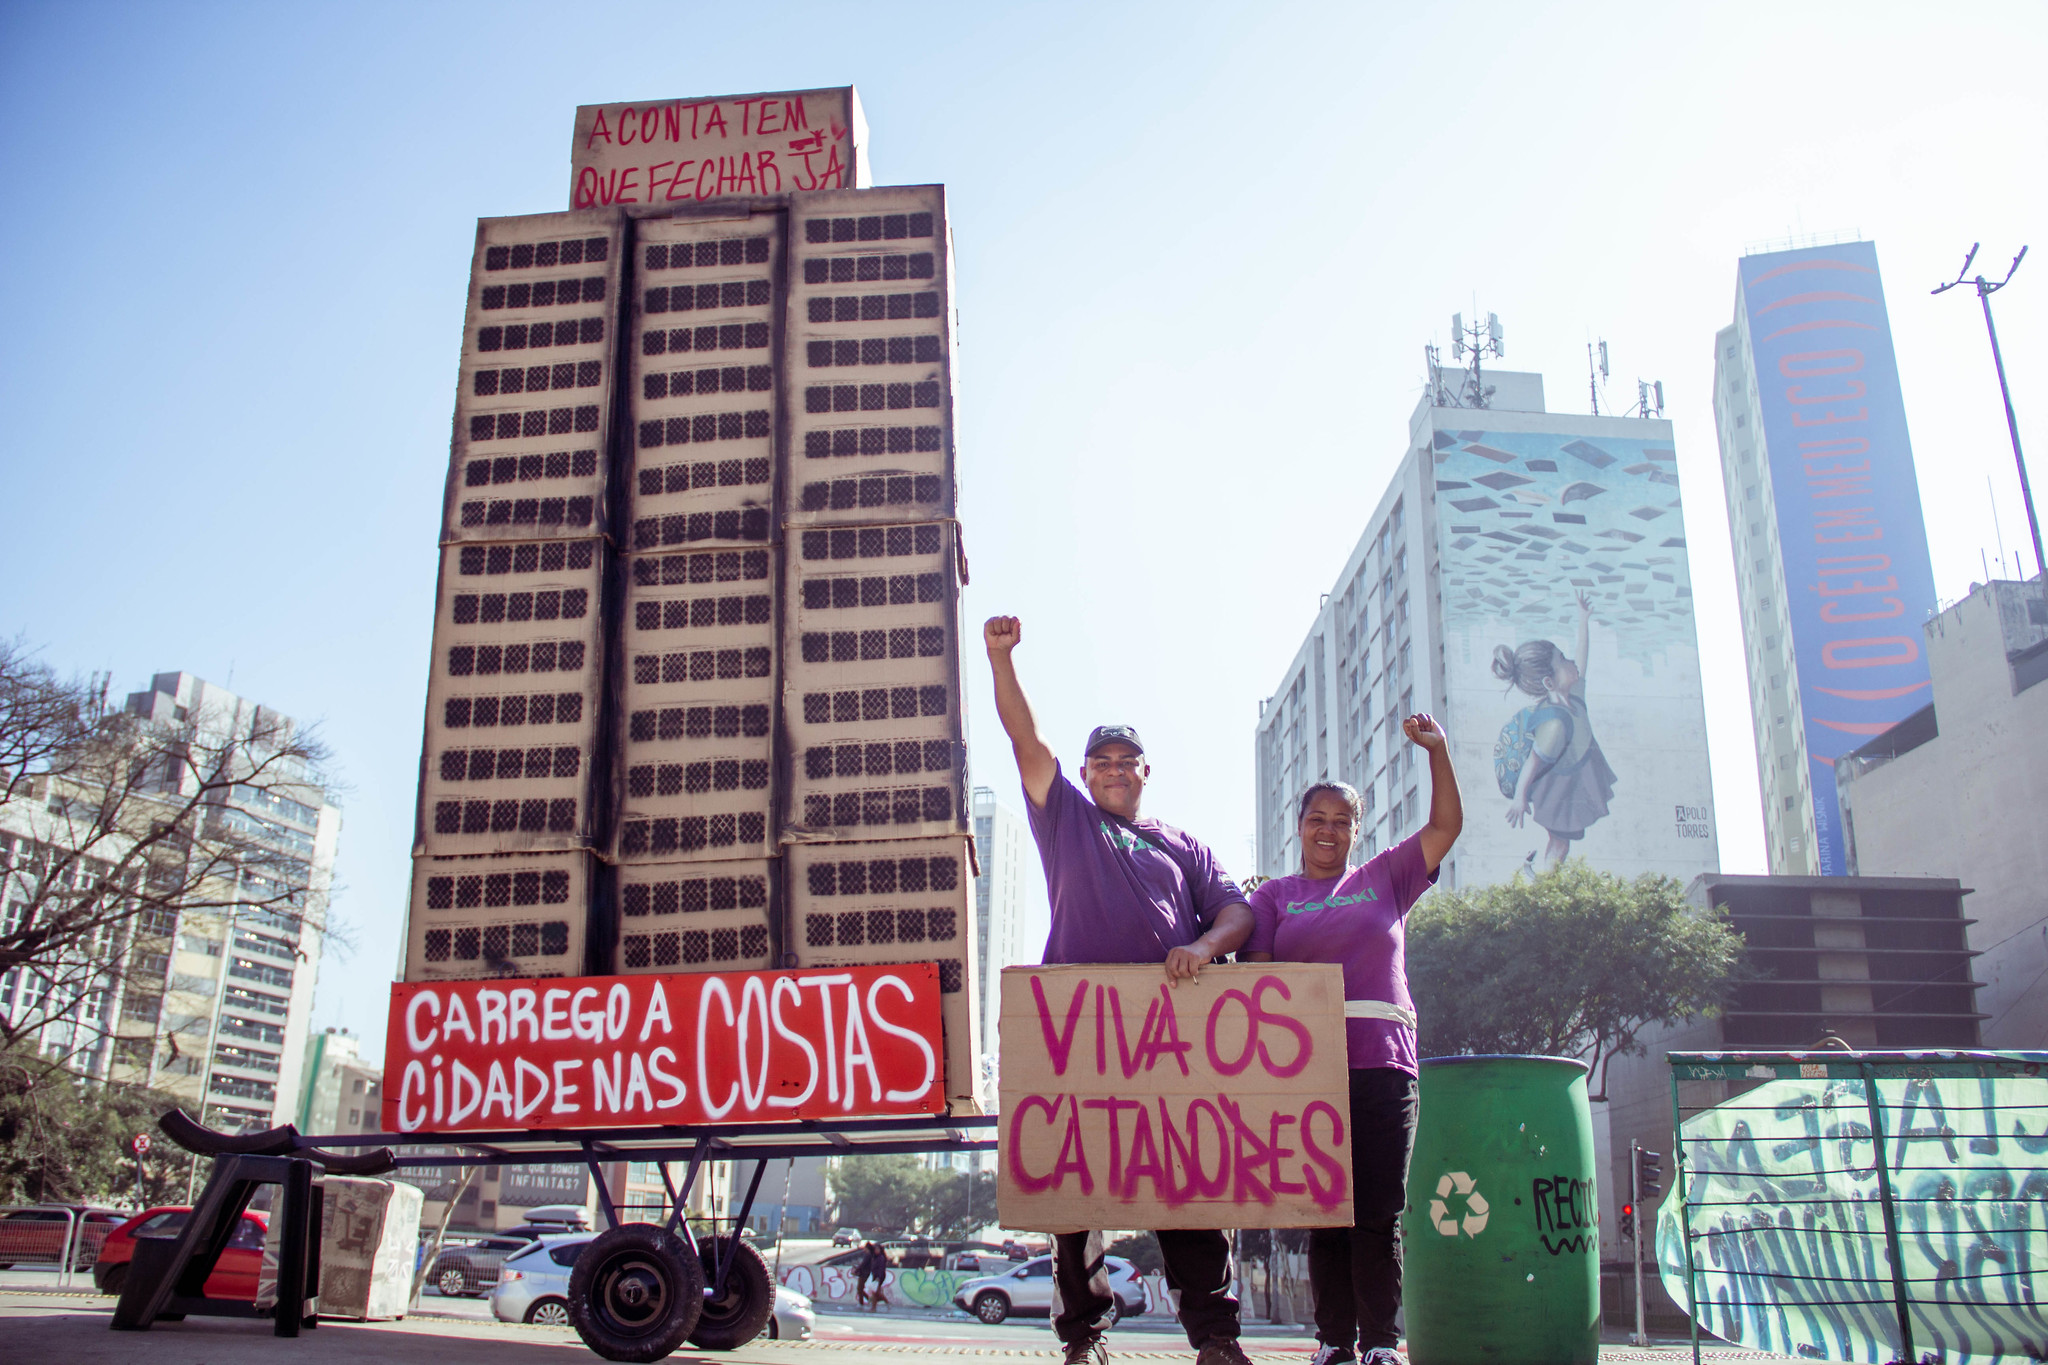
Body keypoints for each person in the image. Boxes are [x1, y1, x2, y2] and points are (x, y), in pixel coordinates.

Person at [984, 615, 1255, 1365]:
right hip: (1079, 1034)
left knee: (1189, 1189)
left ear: (1144, 771)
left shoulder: (1182, 845)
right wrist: (1002, 660)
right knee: (1074, 1198)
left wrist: (1200, 946)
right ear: (1085, 771)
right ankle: (1083, 1340)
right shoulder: (1065, 817)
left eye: (1124, 759)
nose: (1111, 768)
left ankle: (1216, 1336)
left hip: (1170, 1040)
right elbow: (1025, 742)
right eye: (1098, 759)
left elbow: (1238, 911)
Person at [1242, 713, 1463, 1365]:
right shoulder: (1276, 896)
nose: (1329, 829)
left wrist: (1438, 752)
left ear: (1357, 831)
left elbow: (1445, 827)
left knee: (1377, 1211)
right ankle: (1334, 1342)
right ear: (1300, 824)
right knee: (1325, 1212)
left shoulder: (1385, 877)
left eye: (1343, 819)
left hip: (1384, 1067)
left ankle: (1382, 1343)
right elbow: (1254, 979)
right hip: (1308, 1073)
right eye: (1319, 817)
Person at [1494, 590, 1616, 868]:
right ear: (1550, 683)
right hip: (1558, 790)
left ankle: (1542, 873)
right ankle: (1544, 879)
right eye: (1563, 661)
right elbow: (1533, 763)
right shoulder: (1554, 724)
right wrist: (1520, 798)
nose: (1571, 662)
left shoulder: (1574, 696)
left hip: (1573, 778)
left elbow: (1582, 660)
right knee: (1560, 842)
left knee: (1562, 842)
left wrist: (1583, 620)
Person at [856, 1240, 888, 1311]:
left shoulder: (880, 1258)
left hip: (878, 1277)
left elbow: (881, 1269)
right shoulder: (875, 1257)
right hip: (874, 1276)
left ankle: (880, 1305)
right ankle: (874, 1306)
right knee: (875, 1293)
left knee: (874, 1292)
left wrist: (878, 1277)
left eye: (877, 1249)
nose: (876, 1250)